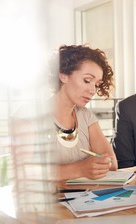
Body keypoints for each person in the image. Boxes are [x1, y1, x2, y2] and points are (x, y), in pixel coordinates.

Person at [52, 44, 118, 181]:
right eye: (87, 80)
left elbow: (112, 163)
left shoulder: (86, 116)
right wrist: (81, 169)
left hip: (84, 198)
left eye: (97, 84)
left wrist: (103, 163)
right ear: (63, 74)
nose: (93, 90)